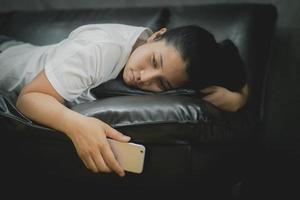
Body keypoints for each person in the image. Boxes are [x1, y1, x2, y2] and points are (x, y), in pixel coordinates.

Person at [0, 23, 248, 177]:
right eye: (154, 61)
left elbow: (231, 74)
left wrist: (240, 97)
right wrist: (77, 125)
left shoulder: (165, 64)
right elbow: (29, 98)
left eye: (161, 84)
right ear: (157, 35)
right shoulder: (99, 49)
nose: (144, 78)